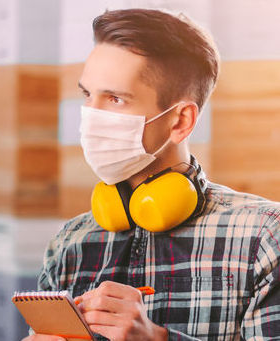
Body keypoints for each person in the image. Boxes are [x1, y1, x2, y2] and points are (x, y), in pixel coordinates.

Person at [23, 8, 280, 341]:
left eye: (115, 99)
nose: (90, 117)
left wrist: (158, 339)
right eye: (88, 95)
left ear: (180, 121)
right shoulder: (70, 243)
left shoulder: (265, 237)